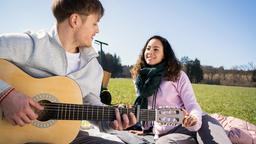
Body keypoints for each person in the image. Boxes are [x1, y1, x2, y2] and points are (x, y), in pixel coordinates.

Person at [0, 0, 135, 143]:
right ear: (75, 20)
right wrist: (6, 94)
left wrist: (112, 121)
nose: (98, 30)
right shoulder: (30, 44)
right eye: (95, 23)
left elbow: (93, 110)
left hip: (64, 138)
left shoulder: (93, 68)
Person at [126, 35, 232, 144]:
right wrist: (145, 130)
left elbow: (192, 105)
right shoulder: (141, 79)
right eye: (148, 48)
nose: (150, 52)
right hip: (167, 134)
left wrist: (193, 120)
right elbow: (148, 110)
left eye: (156, 49)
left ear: (164, 55)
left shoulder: (177, 75)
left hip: (200, 122)